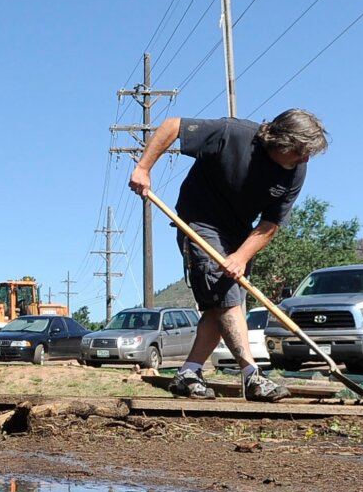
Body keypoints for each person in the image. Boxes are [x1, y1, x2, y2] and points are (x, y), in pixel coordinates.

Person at [128, 110, 329, 400]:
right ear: (280, 140)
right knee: (227, 297)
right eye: (299, 151)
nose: (305, 159)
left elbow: (270, 224)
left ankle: (188, 374)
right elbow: (172, 126)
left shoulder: (296, 170)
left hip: (239, 232)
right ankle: (252, 376)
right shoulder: (232, 134)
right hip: (199, 221)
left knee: (219, 306)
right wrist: (143, 168)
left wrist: (241, 256)